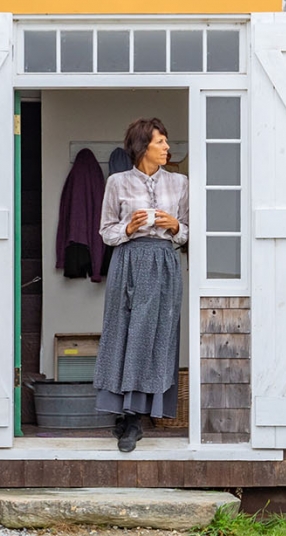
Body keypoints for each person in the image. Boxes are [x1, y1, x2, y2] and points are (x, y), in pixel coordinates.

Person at [93, 117, 187, 452]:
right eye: (160, 142)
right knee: (122, 332)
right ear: (142, 145)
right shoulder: (117, 183)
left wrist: (175, 225)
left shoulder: (180, 183)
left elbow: (189, 232)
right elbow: (106, 232)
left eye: (166, 142)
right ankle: (126, 417)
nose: (167, 148)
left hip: (163, 262)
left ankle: (140, 417)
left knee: (156, 335)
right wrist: (128, 229)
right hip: (128, 261)